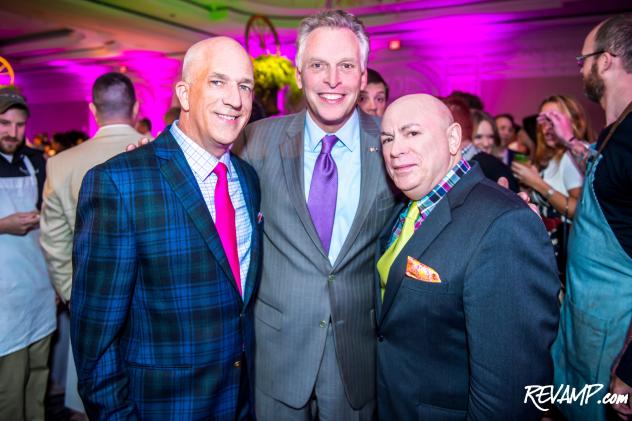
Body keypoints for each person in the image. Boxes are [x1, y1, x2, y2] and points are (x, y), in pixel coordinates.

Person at [70, 37, 262, 419]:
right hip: (162, 406)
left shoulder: (248, 179)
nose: (235, 99)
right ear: (184, 94)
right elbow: (96, 338)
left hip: (239, 402)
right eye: (218, 82)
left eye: (245, 86)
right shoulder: (119, 182)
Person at [234, 10, 401, 419]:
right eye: (318, 66)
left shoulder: (391, 144)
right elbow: (204, 175)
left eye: (346, 66)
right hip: (277, 353)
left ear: (363, 77)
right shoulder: (255, 141)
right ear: (299, 74)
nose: (332, 80)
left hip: (357, 355)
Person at [375, 94, 560, 420]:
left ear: (453, 139)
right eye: (387, 138)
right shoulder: (408, 208)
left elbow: (510, 390)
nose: (395, 148)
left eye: (412, 133)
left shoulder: (504, 222)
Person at [39, 72, 144, 414]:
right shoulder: (161, 151)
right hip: (156, 312)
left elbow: (54, 245)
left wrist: (74, 297)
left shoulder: (60, 165)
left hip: (91, 308)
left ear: (92, 109)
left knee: (94, 402)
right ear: (136, 106)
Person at [547, 14, 632, 420]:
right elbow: (604, 166)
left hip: (614, 349)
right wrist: (569, 142)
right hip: (586, 333)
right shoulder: (616, 132)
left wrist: (631, 370)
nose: (580, 69)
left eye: (584, 59)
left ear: (608, 59)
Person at [0, 87, 56, 420]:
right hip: (4, 296)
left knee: (38, 378)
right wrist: (3, 225)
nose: (13, 132)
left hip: (38, 287)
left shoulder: (37, 162)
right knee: (9, 387)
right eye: (5, 123)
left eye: (20, 125)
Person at [511, 95, 587, 280]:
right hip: (551, 249)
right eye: (543, 120)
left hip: (567, 251)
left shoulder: (574, 156)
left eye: (554, 118)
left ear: (573, 120)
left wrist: (537, 183)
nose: (547, 126)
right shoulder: (554, 157)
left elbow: (578, 210)